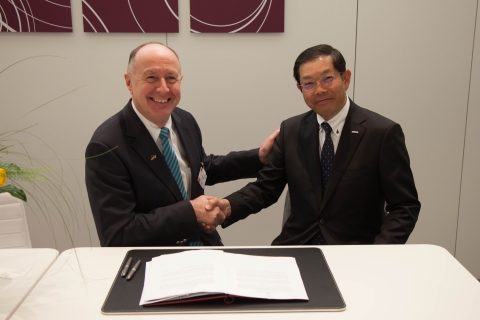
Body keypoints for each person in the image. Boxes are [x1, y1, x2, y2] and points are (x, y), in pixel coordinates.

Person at [211, 44, 420, 245]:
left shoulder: (381, 133)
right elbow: (266, 188)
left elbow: (404, 205)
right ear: (300, 88)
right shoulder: (291, 130)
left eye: (327, 79)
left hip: (356, 251)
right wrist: (227, 207)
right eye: (308, 83)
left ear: (346, 78)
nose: (319, 90)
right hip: (298, 246)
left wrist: (379, 252)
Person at [85, 42, 278, 247]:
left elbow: (200, 169)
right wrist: (190, 212)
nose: (163, 88)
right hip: (153, 259)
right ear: (129, 82)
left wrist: (258, 158)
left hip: (203, 245)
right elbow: (118, 235)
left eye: (171, 78)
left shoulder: (184, 120)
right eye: (151, 77)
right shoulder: (107, 146)